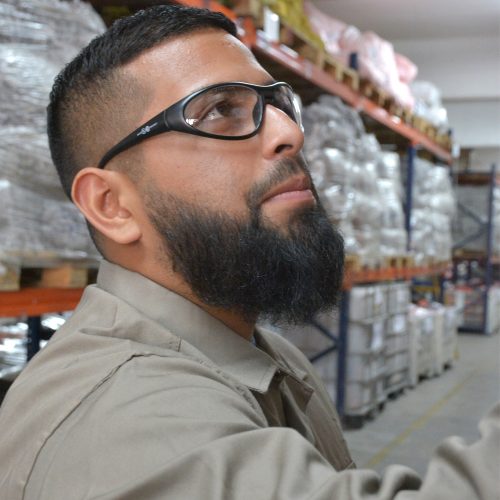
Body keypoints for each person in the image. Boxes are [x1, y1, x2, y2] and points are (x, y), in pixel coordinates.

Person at [0, 5, 498, 500]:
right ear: (111, 205)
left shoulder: (270, 355)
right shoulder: (125, 419)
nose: (291, 133)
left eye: (279, 103)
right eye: (220, 110)